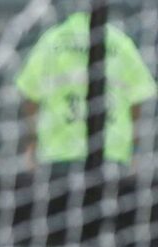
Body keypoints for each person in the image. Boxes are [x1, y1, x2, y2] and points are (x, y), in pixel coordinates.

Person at [16, 9, 157, 172]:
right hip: (111, 154)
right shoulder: (120, 42)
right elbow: (138, 100)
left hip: (58, 155)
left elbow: (30, 97)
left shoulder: (51, 41)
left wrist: (33, 141)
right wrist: (133, 148)